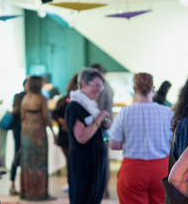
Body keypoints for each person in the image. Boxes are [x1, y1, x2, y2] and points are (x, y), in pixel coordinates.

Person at [109, 73, 173, 204]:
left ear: (134, 89)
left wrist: (129, 142)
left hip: (132, 170)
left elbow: (114, 145)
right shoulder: (167, 112)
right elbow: (173, 142)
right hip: (161, 169)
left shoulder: (124, 113)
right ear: (153, 89)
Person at [65, 68, 111, 204]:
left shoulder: (90, 105)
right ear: (84, 83)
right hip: (83, 162)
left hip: (94, 160)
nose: (99, 89)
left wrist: (103, 124)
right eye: (96, 85)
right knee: (83, 198)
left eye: (101, 86)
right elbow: (81, 137)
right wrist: (99, 119)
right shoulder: (75, 106)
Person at [19, 76, 57, 201]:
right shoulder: (42, 98)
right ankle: (40, 193)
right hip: (38, 134)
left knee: (27, 163)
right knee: (40, 163)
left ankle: (27, 192)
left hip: (26, 133)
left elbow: (23, 117)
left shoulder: (25, 98)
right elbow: (46, 118)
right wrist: (53, 132)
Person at [90, 63, 114, 198]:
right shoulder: (108, 86)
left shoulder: (100, 88)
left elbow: (95, 109)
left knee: (100, 159)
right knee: (103, 158)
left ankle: (101, 190)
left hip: (100, 128)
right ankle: (104, 189)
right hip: (105, 128)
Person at [52, 73, 79, 193]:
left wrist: (69, 123)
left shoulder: (77, 101)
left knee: (75, 159)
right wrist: (60, 121)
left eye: (70, 85)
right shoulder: (62, 100)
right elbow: (55, 113)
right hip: (64, 132)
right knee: (68, 159)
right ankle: (70, 182)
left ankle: (76, 181)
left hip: (73, 132)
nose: (68, 87)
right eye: (68, 85)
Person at [9, 77, 28, 196]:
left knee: (27, 157)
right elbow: (19, 111)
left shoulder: (35, 96)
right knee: (17, 154)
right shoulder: (18, 96)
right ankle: (12, 184)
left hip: (27, 130)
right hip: (18, 128)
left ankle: (25, 185)